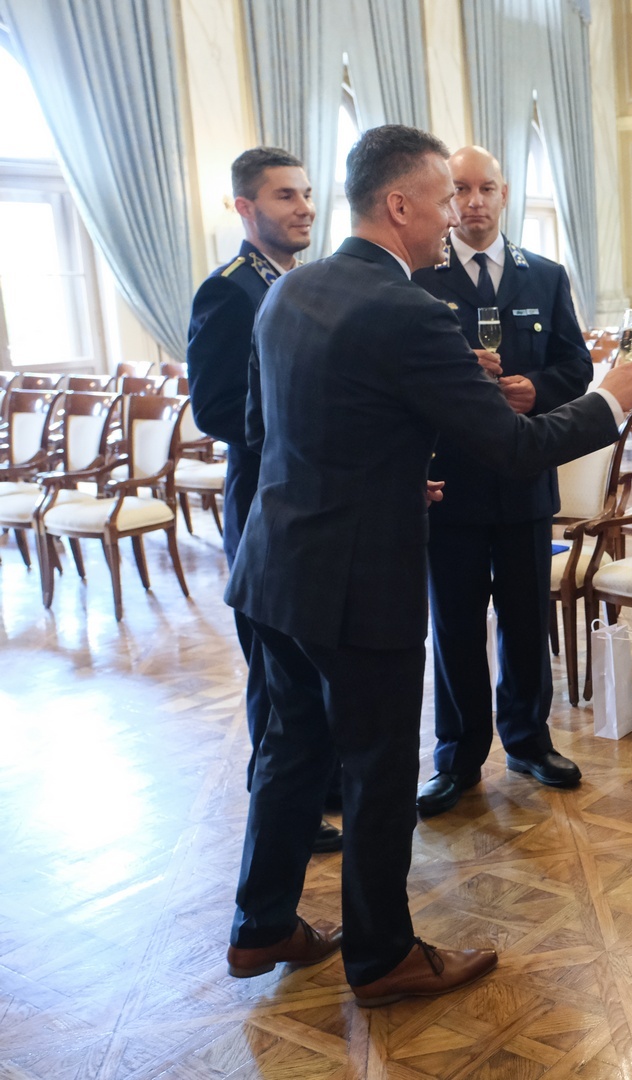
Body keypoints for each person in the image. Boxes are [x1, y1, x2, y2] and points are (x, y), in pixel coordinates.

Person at [222, 124, 632, 1007]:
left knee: (291, 748)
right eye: (446, 198)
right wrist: (610, 399)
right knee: (378, 768)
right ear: (400, 205)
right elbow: (513, 448)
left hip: (273, 566)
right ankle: (383, 958)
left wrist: (392, 477)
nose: (457, 213)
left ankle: (261, 926)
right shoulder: (408, 308)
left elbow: (272, 433)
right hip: (354, 581)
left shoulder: (290, 291)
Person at [409, 146, 593, 818]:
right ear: (446, 198)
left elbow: (576, 368)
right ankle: (457, 757)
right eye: (460, 189)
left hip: (522, 482)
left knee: (525, 619)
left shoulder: (543, 275)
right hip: (451, 483)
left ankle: (529, 740)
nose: (474, 202)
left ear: (505, 194)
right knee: (456, 626)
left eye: (486, 188)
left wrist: (535, 389)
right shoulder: (418, 280)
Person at [185, 148, 343, 854]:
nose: (305, 207)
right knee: (277, 673)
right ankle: (285, 815)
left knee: (313, 662)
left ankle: (322, 782)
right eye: (285, 196)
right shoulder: (231, 292)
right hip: (264, 502)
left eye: (306, 193)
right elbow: (217, 408)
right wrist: (308, 428)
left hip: (314, 496)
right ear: (246, 208)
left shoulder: (305, 284)